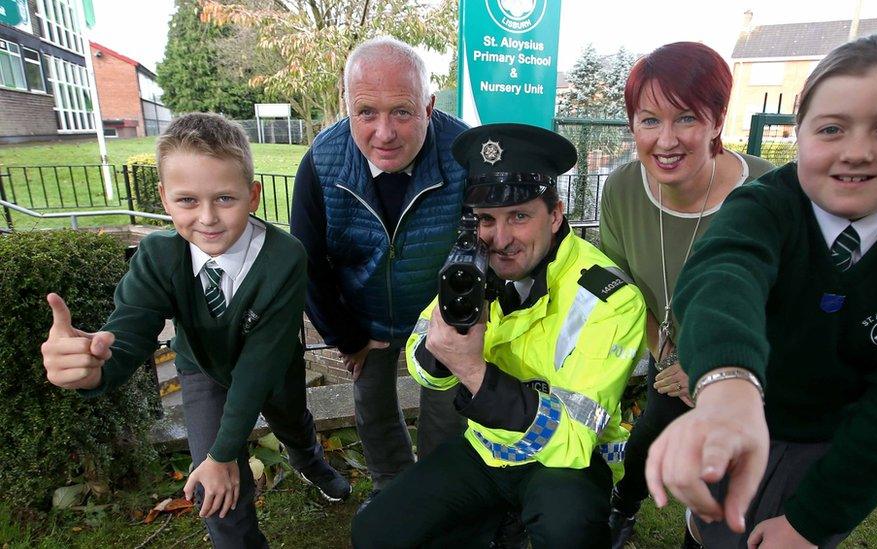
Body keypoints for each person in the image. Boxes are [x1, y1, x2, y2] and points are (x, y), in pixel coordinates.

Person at [645, 32, 877, 549]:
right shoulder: (763, 205)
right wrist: (727, 383)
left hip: (838, 440)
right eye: (831, 129)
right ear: (799, 133)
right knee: (715, 534)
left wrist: (810, 522)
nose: (857, 152)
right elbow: (722, 275)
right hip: (746, 410)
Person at [40, 113, 351, 548]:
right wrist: (98, 367)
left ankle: (310, 462)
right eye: (187, 201)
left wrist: (225, 450)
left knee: (292, 422)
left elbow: (260, 361)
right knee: (213, 486)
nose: (207, 218)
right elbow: (132, 327)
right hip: (202, 368)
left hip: (273, 368)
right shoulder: (157, 255)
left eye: (225, 198)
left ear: (253, 195)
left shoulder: (285, 256)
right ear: (165, 198)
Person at [350, 123, 647, 548]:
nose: (501, 239)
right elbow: (424, 363)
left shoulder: (610, 298)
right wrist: (448, 341)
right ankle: (494, 529)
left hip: (566, 463)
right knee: (375, 532)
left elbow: (572, 439)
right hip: (489, 446)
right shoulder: (473, 263)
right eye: (487, 219)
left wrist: (472, 369)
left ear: (556, 214)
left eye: (520, 216)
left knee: (569, 533)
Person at [598, 42, 774, 548]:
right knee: (647, 441)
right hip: (667, 355)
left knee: (725, 474)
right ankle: (624, 505)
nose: (666, 140)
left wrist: (712, 369)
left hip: (748, 365)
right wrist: (665, 353)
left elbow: (783, 304)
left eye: (687, 119)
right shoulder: (623, 189)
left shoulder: (768, 190)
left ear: (717, 120)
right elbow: (623, 288)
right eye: (649, 120)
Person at [290, 36, 469, 506]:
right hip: (366, 315)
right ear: (347, 106)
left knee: (447, 410)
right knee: (372, 406)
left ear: (429, 106)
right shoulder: (321, 161)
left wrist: (464, 318)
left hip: (443, 316)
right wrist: (346, 336)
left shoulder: (465, 154)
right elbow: (308, 260)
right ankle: (392, 489)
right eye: (366, 112)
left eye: (402, 112)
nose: (384, 132)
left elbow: (491, 241)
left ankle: (438, 490)